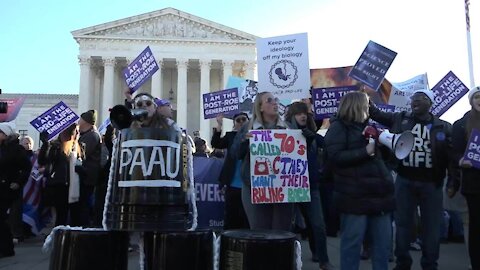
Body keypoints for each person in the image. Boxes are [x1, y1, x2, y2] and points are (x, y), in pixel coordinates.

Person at [369, 89, 453, 270]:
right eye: (413, 98)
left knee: (431, 228)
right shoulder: (400, 119)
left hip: (432, 184)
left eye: (420, 98)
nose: (415, 101)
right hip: (405, 181)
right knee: (403, 225)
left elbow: (451, 157)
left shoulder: (443, 127)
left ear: (430, 104)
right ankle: (402, 263)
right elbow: (375, 114)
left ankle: (430, 264)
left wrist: (452, 181)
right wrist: (366, 99)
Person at [325, 91, 394, 270]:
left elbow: (382, 161)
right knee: (352, 245)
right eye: (367, 104)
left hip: (379, 196)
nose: (370, 108)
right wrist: (365, 152)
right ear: (356, 105)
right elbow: (334, 157)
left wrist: (384, 148)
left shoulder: (369, 127)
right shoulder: (339, 127)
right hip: (354, 198)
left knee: (382, 246)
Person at [232, 92, 294, 230]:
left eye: (276, 100)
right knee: (260, 232)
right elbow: (235, 154)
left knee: (281, 232)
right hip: (254, 187)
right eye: (269, 100)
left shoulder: (288, 128)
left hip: (282, 187)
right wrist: (244, 142)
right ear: (260, 107)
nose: (275, 103)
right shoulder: (248, 128)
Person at [285, 102, 333, 270]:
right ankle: (286, 260)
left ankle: (323, 259)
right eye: (298, 114)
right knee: (287, 227)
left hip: (311, 186)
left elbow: (327, 145)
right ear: (291, 116)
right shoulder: (284, 134)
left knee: (318, 224)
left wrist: (313, 136)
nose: (303, 116)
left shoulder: (312, 135)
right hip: (289, 187)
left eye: (304, 113)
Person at [448, 86, 480, 270]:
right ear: (471, 100)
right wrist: (461, 159)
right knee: (476, 225)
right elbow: (454, 151)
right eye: (477, 97)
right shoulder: (461, 124)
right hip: (473, 182)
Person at [38, 124, 83, 226]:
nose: (76, 133)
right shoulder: (56, 146)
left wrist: (81, 170)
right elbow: (43, 160)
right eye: (75, 131)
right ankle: (58, 236)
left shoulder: (78, 146)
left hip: (74, 185)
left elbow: (83, 162)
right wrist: (45, 144)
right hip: (60, 184)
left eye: (77, 131)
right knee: (61, 215)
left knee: (73, 215)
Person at [211, 113, 250, 230]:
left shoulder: (255, 135)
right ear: (234, 124)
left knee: (246, 219)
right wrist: (219, 125)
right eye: (238, 120)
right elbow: (215, 143)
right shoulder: (231, 136)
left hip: (248, 185)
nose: (242, 122)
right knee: (231, 217)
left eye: (244, 119)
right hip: (233, 183)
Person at [0, 123, 31, 258]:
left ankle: (7, 247)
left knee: (1, 217)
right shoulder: (2, 148)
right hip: (2, 185)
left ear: (6, 135)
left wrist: (18, 182)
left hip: (9, 187)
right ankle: (7, 247)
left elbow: (26, 167)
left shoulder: (16, 149)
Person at [77, 110, 102, 227]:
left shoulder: (92, 136)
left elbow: (83, 154)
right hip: (85, 175)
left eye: (80, 119)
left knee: (85, 203)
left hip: (88, 176)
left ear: (86, 121)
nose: (78, 121)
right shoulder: (87, 135)